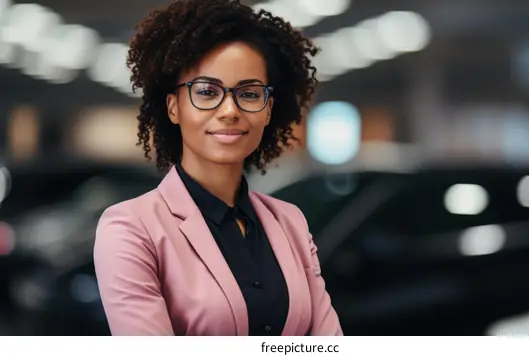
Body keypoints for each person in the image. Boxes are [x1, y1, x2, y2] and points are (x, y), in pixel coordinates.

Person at [93, 0, 343, 336]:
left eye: (250, 94)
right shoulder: (130, 229)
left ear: (268, 111)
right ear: (174, 108)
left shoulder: (291, 223)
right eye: (208, 92)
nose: (229, 110)